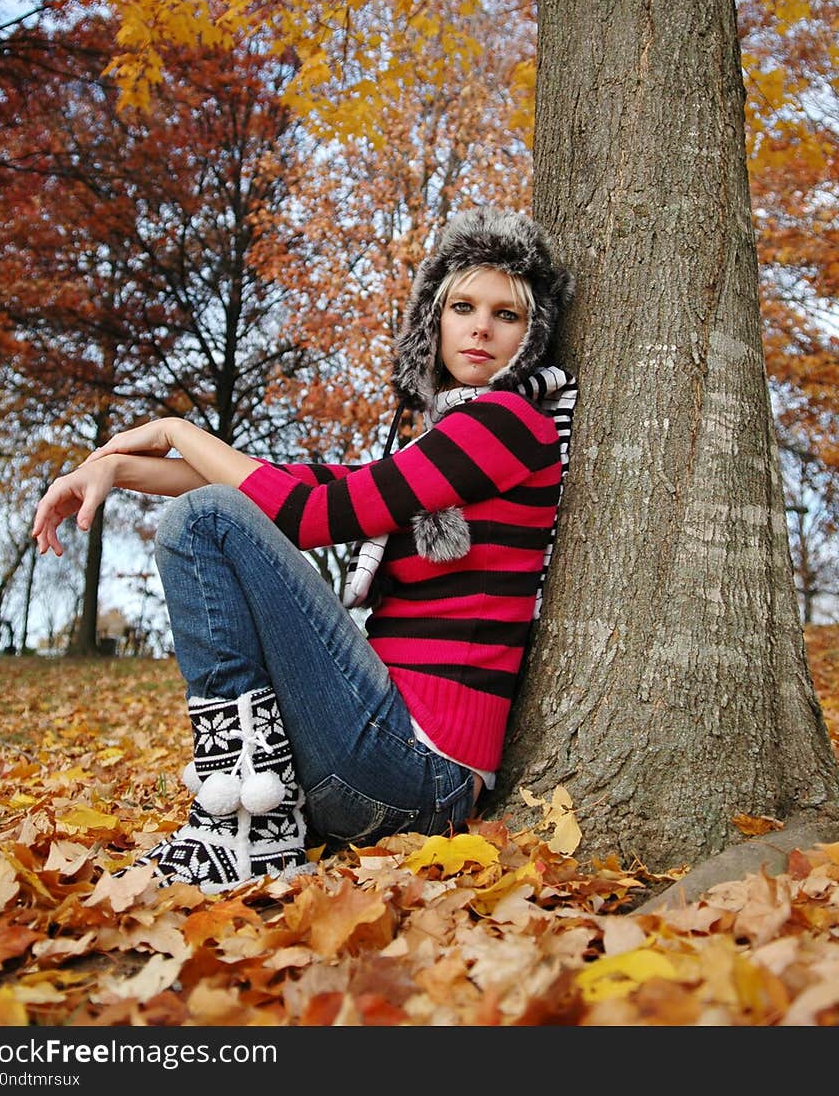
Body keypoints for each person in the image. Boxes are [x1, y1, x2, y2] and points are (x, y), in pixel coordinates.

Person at [32, 207, 578, 895]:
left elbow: (308, 514)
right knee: (203, 510)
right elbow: (298, 483)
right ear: (432, 321)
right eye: (462, 305)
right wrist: (110, 468)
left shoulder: (505, 423)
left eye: (507, 315)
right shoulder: (439, 446)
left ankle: (245, 821)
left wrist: (174, 426)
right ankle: (245, 809)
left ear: (532, 338)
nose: (479, 326)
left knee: (207, 518)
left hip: (417, 773)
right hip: (383, 760)